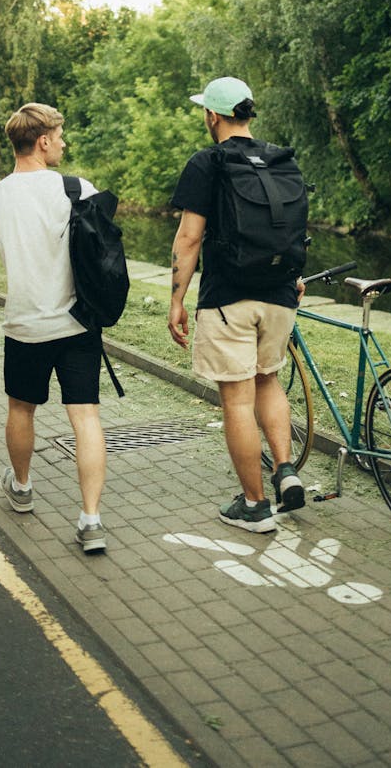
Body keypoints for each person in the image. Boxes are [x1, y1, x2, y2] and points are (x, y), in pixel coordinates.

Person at [0, 103, 108, 553]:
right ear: (42, 140)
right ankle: (91, 521)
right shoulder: (78, 189)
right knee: (85, 417)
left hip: (24, 329)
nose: (64, 142)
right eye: (60, 135)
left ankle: (21, 488)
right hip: (78, 325)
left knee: (21, 409)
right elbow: (103, 257)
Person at [167, 76, 305, 533]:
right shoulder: (279, 158)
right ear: (247, 114)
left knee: (237, 401)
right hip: (282, 293)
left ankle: (255, 505)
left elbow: (189, 239)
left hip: (230, 298)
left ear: (213, 115)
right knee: (270, 382)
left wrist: (176, 301)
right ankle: (285, 470)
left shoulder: (208, 162)